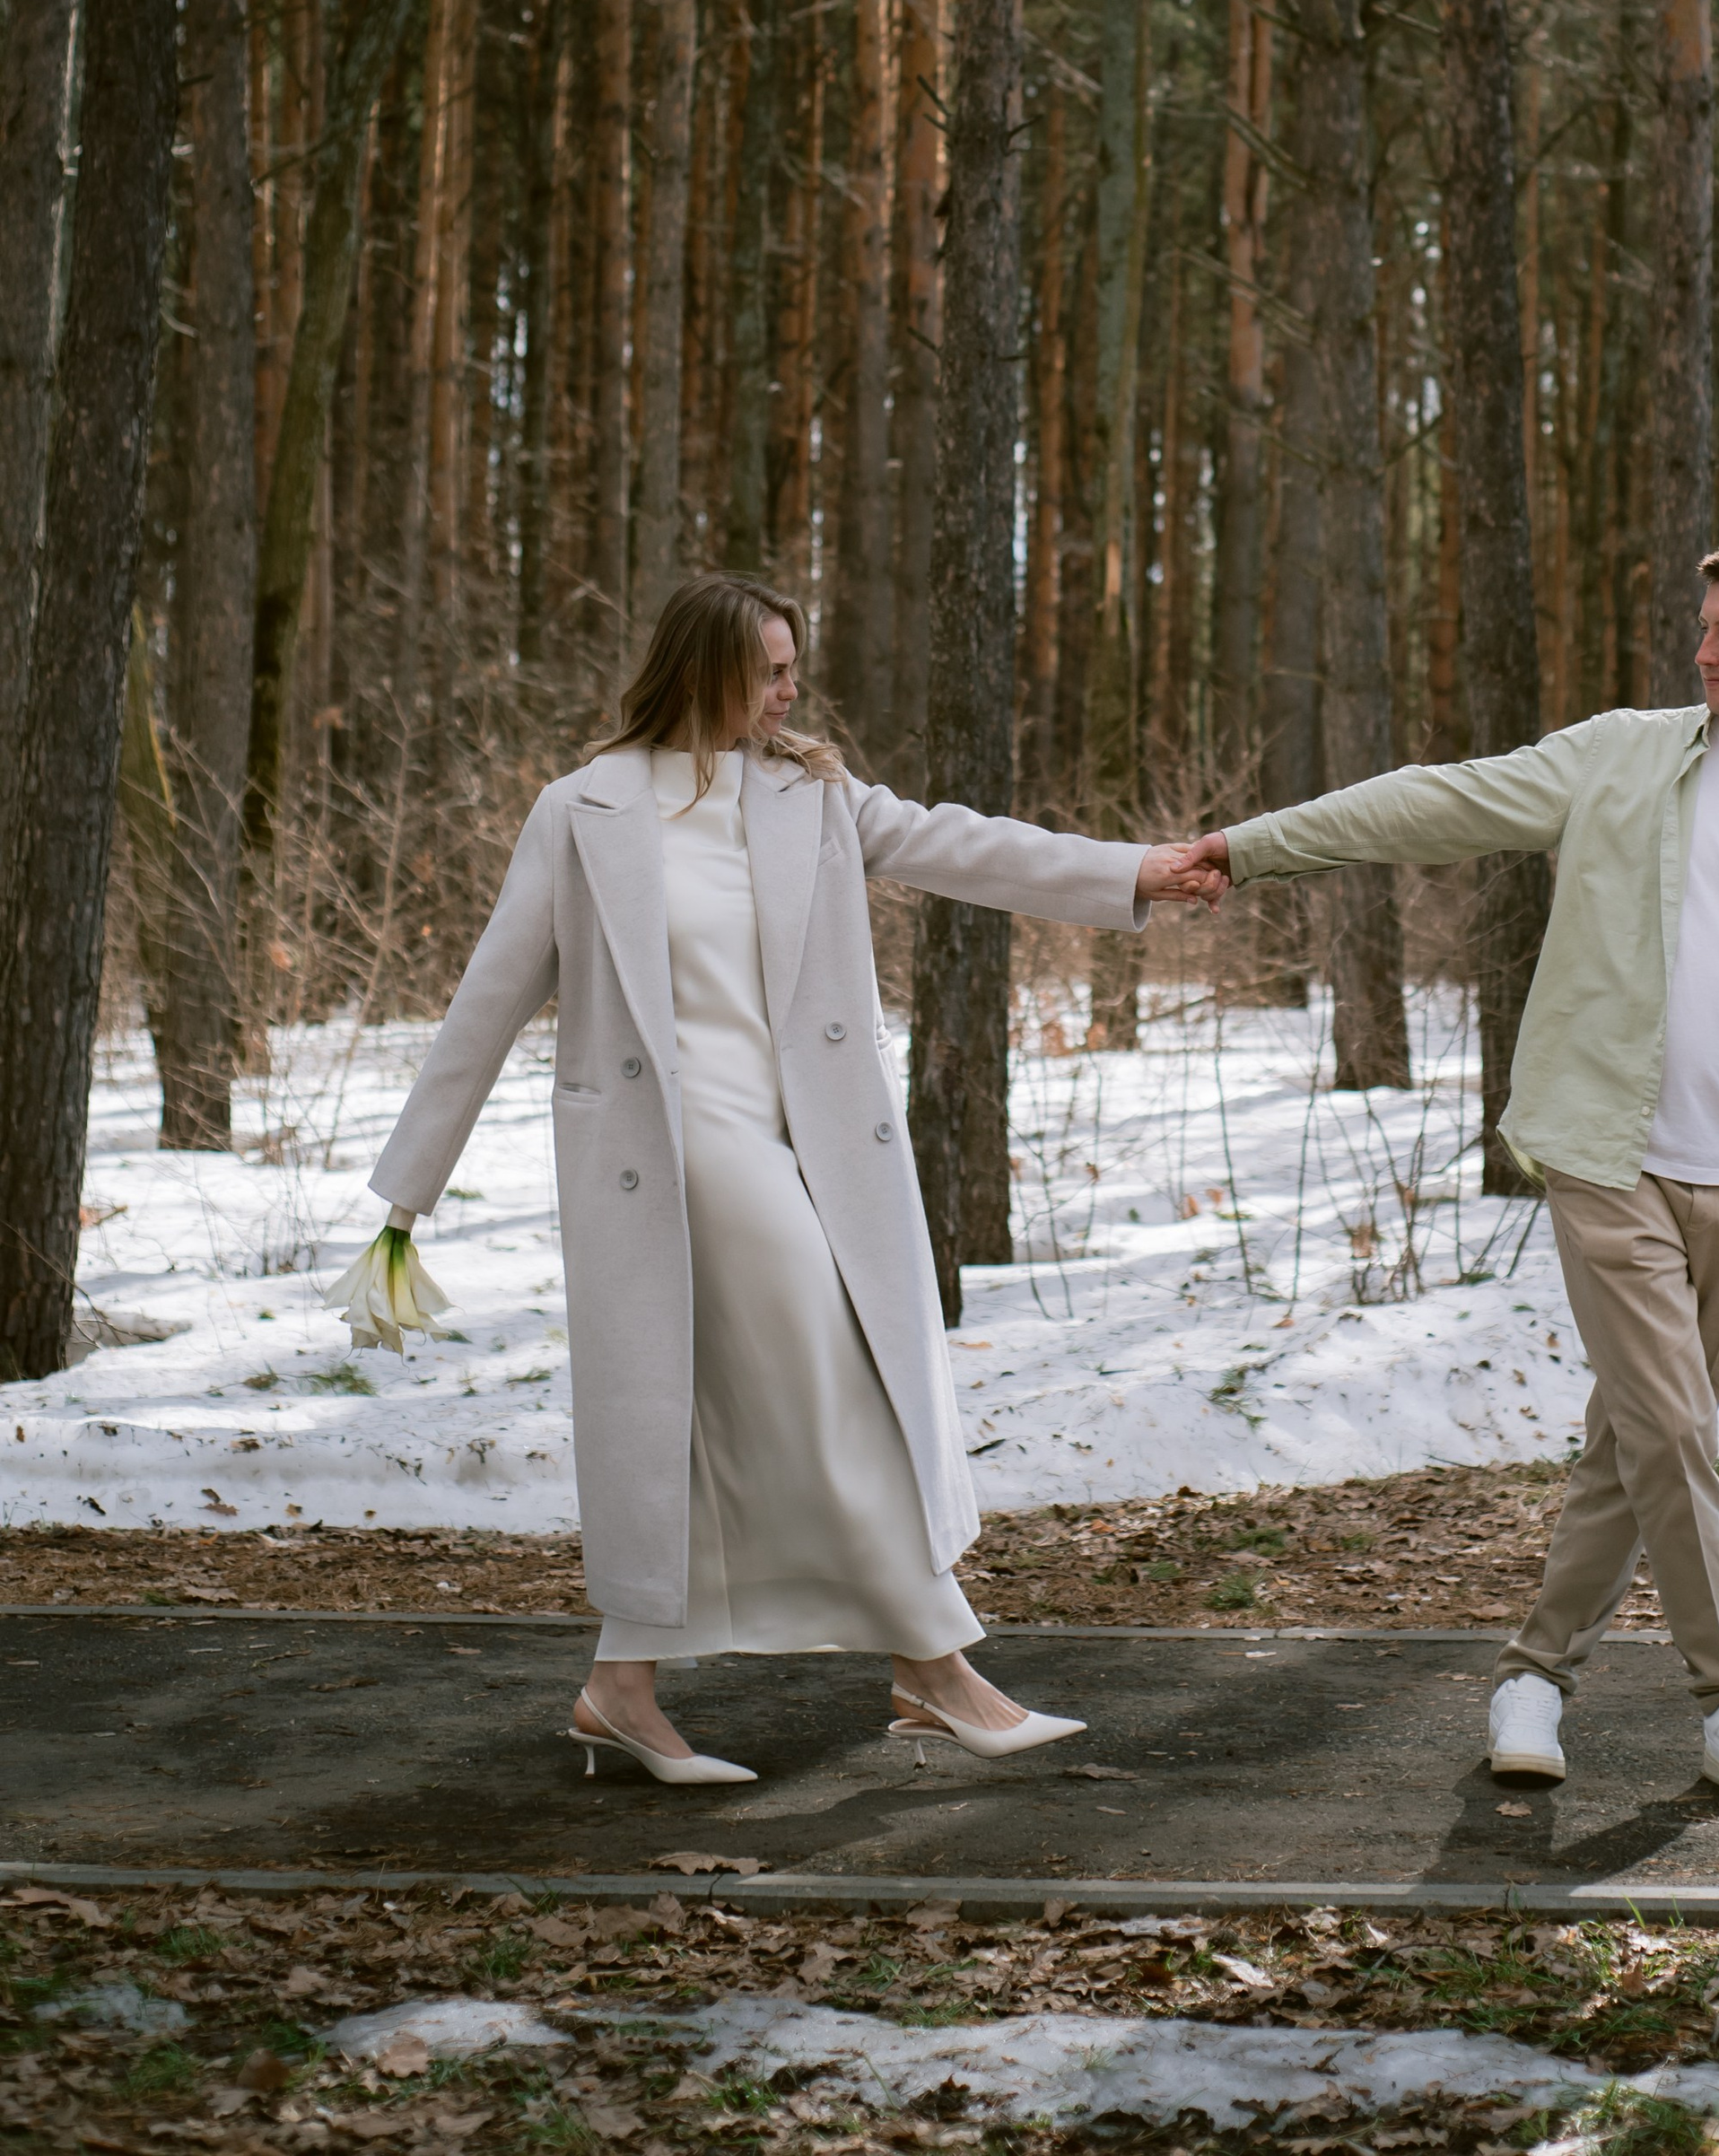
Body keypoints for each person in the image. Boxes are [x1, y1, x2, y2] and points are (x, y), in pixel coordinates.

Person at [361, 572, 1219, 1786]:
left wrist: (1137, 872)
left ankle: (620, 1687)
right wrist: (409, 1196)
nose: (791, 689)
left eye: (791, 667)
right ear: (705, 670)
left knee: (713, 1417)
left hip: (801, 1139)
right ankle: (933, 1662)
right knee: (834, 1374)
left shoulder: (806, 798)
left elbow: (962, 843)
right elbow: (491, 994)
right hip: (672, 1151)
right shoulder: (584, 809)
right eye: (770, 669)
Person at [1177, 531, 1719, 1808]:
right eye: (1701, 628)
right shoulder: (1623, 758)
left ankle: (1535, 1675)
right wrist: (1254, 845)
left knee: (1638, 1441)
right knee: (1674, 1425)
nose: (1701, 650)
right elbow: (1437, 799)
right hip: (1609, 1152)